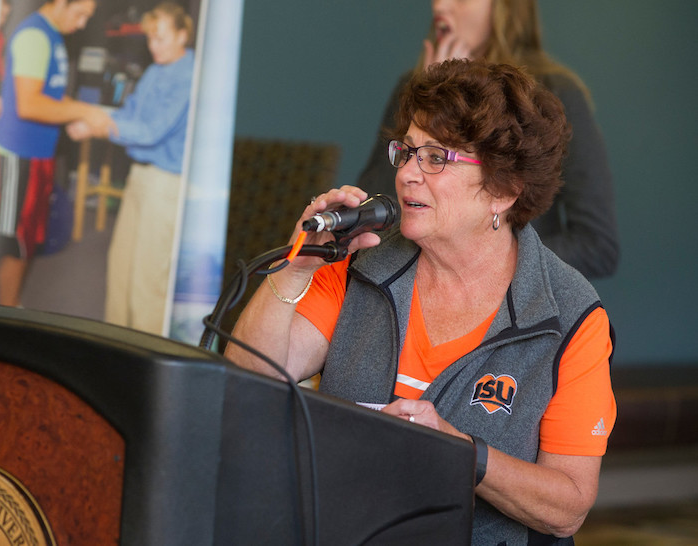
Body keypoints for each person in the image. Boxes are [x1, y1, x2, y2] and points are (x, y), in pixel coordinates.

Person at [225, 59, 616, 545]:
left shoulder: (571, 315)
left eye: (436, 158)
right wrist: (298, 267)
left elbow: (568, 506)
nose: (408, 173)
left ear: (504, 191)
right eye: (407, 152)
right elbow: (248, 380)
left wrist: (463, 454)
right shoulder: (357, 264)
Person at [357, 0, 619, 280]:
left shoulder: (555, 93)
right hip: (407, 299)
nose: (440, 4)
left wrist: (488, 262)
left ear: (505, 6)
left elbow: (597, 245)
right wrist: (430, 104)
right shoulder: (414, 86)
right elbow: (373, 211)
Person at [0, 0, 117, 307]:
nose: (83, 22)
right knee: (14, 241)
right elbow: (29, 104)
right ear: (61, 0)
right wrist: (82, 112)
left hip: (39, 154)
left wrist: (72, 114)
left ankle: (11, 306)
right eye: (80, 13)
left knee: (29, 237)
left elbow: (51, 99)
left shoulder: (55, 36)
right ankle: (5, 314)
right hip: (18, 154)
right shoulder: (34, 35)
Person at [67, 1, 195, 333]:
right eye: (151, 39)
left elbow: (152, 130)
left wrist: (100, 124)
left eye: (162, 38)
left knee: (147, 280)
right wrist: (93, 119)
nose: (154, 47)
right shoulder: (156, 69)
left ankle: (143, 359)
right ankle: (117, 345)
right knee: (121, 267)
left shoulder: (188, 75)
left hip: (166, 184)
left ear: (183, 34)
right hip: (140, 177)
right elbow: (131, 115)